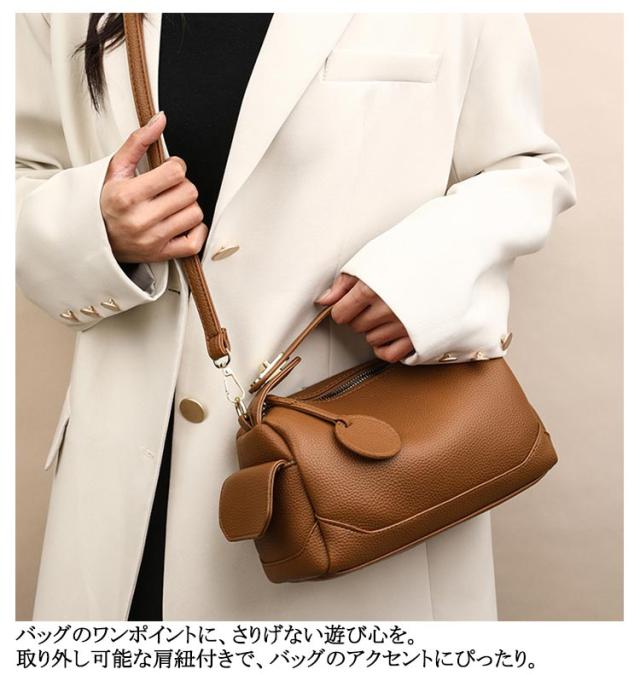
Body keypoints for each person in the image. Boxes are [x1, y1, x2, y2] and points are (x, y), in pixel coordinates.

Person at [15, 12, 576, 621]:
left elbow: (525, 170)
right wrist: (95, 227)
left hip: (349, 471)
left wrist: (422, 273)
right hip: (127, 474)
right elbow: (21, 170)